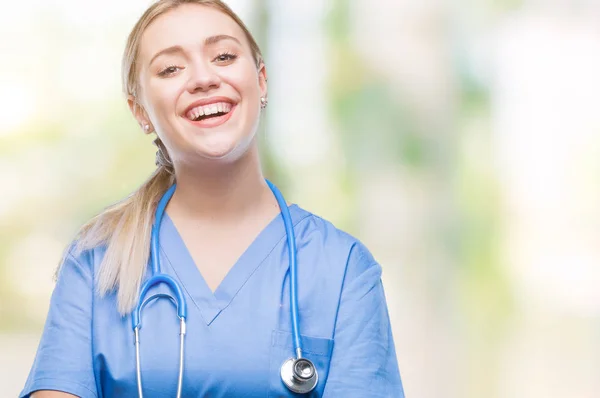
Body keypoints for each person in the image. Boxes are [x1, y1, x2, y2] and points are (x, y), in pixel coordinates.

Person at [20, 1, 405, 397]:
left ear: (262, 80)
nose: (203, 78)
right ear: (140, 111)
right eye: (171, 68)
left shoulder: (342, 271)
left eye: (223, 56)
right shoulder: (96, 263)